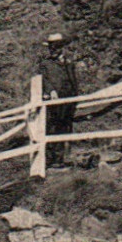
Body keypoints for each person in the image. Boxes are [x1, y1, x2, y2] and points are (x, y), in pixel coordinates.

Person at [39, 35, 79, 167]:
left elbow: (74, 81)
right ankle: (51, 158)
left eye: (56, 47)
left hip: (69, 100)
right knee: (52, 127)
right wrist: (51, 91)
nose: (53, 50)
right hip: (54, 101)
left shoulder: (69, 63)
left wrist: (75, 97)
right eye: (51, 48)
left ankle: (61, 157)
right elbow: (43, 80)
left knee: (65, 126)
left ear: (62, 48)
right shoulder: (46, 64)